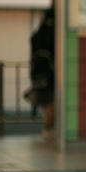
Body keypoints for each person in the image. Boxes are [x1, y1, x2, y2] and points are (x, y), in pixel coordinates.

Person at [27, 7, 56, 139]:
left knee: (46, 101)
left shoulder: (37, 34)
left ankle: (48, 127)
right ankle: (49, 127)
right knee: (51, 101)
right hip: (51, 73)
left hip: (37, 72)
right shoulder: (54, 33)